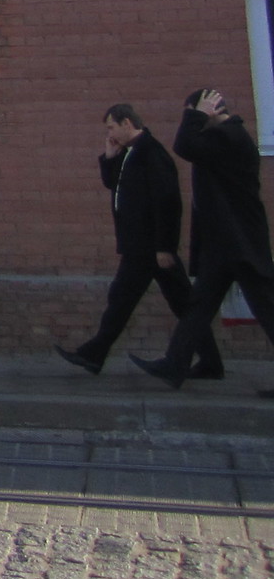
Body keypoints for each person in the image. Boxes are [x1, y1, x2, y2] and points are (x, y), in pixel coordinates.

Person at [56, 104, 219, 376]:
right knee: (179, 303)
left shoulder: (152, 154)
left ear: (127, 123)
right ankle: (211, 362)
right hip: (140, 245)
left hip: (148, 246)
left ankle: (94, 354)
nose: (110, 134)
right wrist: (110, 157)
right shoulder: (129, 153)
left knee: (122, 299)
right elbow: (115, 186)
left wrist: (165, 247)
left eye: (112, 127)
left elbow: (168, 203)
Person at [133, 90, 274, 388]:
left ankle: (176, 364)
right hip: (224, 241)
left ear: (208, 110)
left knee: (266, 305)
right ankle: (176, 364)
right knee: (199, 304)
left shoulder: (230, 136)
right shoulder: (221, 138)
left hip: (239, 240)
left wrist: (195, 114)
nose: (190, 119)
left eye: (192, 112)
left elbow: (184, 145)